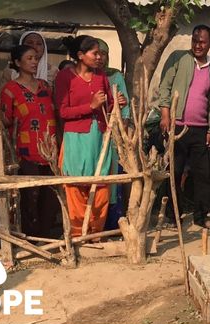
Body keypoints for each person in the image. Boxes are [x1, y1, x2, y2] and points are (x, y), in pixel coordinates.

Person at [54, 35, 126, 238]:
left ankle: (95, 233)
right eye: (95, 53)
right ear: (80, 55)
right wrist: (90, 106)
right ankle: (78, 235)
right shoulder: (65, 77)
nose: (99, 57)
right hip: (76, 138)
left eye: (100, 53)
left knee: (102, 187)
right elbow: (63, 112)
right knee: (75, 187)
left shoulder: (101, 76)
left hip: (99, 137)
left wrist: (117, 104)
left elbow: (108, 106)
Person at [158, 25, 210, 230]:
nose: (198, 45)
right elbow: (165, 87)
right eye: (195, 40)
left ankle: (201, 217)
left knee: (202, 175)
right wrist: (165, 115)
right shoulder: (178, 58)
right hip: (177, 127)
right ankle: (173, 216)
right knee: (173, 173)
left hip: (200, 129)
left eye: (202, 42)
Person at [0, 45, 59, 238]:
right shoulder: (10, 90)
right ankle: (31, 237)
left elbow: (55, 114)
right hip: (25, 150)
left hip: (49, 149)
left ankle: (46, 236)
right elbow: (7, 120)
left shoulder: (45, 87)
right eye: (29, 58)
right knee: (30, 195)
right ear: (17, 63)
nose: (34, 62)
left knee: (50, 195)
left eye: (36, 58)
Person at [96, 38, 130, 230]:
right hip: (93, 134)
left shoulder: (115, 76)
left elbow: (124, 110)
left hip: (113, 135)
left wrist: (122, 133)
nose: (100, 58)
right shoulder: (87, 77)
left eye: (104, 54)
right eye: (96, 53)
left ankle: (112, 224)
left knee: (113, 180)